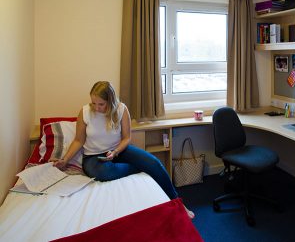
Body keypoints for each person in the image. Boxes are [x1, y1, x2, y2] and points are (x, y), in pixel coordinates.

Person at [52, 81, 194, 218]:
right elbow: (79, 140)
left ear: (111, 101)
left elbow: (126, 138)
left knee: (154, 163)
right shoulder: (85, 112)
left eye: (101, 104)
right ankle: (138, 168)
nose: (96, 107)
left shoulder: (121, 109)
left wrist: (115, 152)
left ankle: (178, 203)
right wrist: (65, 160)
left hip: (119, 150)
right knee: (105, 172)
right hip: (94, 157)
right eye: (93, 103)